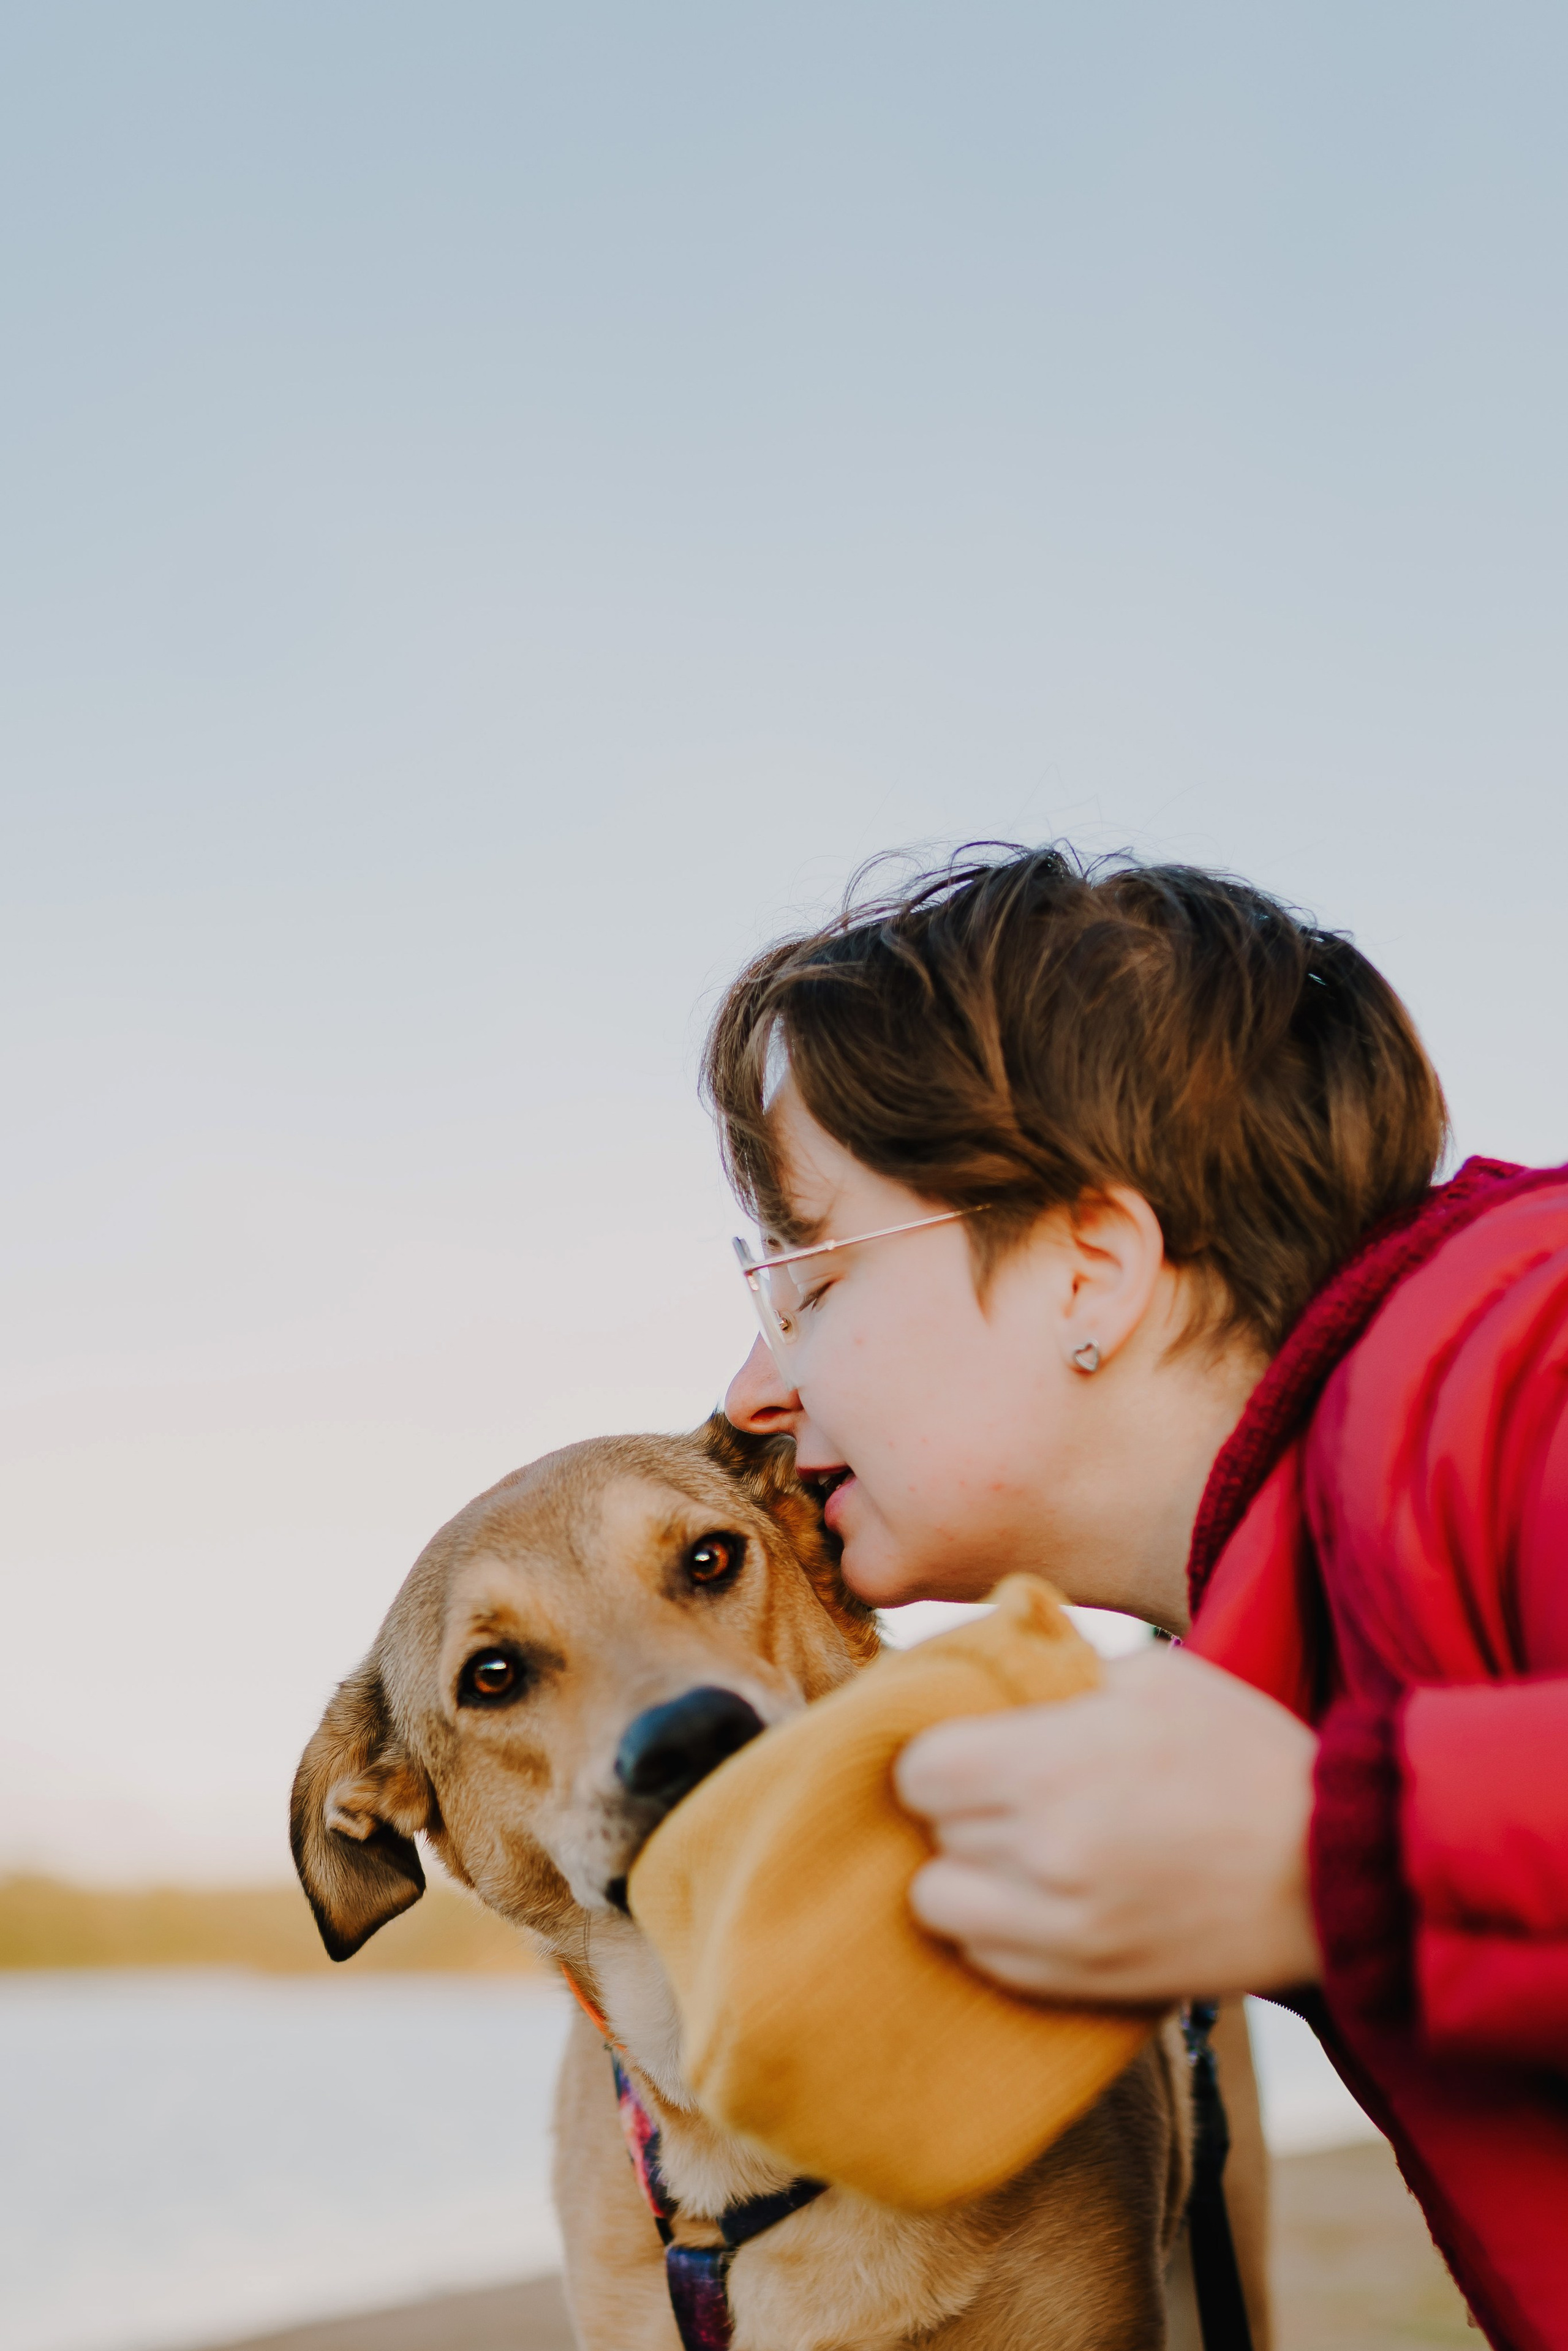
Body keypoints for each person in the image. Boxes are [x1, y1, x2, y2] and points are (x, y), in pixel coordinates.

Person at [708, 846, 1568, 2351]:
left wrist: (1351, 1856)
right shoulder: (1302, 1606)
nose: (754, 1390)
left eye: (808, 1277)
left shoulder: (1511, 1367)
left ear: (1090, 1267)